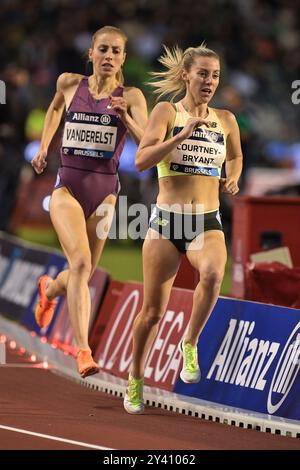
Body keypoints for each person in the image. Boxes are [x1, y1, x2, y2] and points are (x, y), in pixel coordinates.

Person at [124, 44, 243, 414]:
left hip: (206, 221)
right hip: (165, 222)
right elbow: (142, 159)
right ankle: (135, 377)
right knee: (152, 313)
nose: (210, 81)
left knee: (211, 274)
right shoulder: (167, 111)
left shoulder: (226, 119)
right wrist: (181, 135)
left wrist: (233, 177)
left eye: (216, 75)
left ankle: (189, 342)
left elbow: (236, 155)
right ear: (187, 76)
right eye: (203, 74)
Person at [31, 26, 148, 378]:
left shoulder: (133, 96)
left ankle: (49, 289)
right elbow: (53, 110)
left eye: (116, 51)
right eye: (103, 49)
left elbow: (148, 147)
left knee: (85, 271)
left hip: (105, 193)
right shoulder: (69, 84)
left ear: (123, 58)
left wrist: (126, 116)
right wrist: (43, 146)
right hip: (67, 186)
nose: (109, 56)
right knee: (81, 264)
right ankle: (83, 351)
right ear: (91, 54)